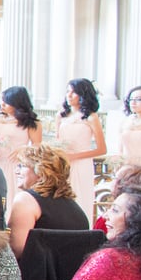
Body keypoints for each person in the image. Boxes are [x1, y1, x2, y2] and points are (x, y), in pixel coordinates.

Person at [8, 145, 88, 259]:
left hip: (36, 274)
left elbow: (16, 251)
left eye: (22, 166)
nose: (16, 171)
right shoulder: (75, 208)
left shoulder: (25, 200)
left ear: (41, 172)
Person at [0, 85, 42, 220]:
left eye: (6, 101)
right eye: (2, 100)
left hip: (15, 164)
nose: (2, 104)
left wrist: (24, 149)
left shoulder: (31, 122)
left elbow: (38, 146)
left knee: (11, 196)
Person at [57, 78, 107, 220]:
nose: (69, 95)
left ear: (83, 95)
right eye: (68, 91)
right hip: (63, 163)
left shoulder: (91, 117)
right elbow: (58, 141)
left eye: (74, 92)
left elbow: (102, 149)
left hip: (82, 163)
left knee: (80, 198)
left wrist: (75, 156)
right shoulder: (61, 116)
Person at [120, 86, 141, 166]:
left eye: (139, 99)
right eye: (131, 99)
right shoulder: (125, 121)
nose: (133, 102)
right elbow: (120, 149)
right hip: (128, 165)